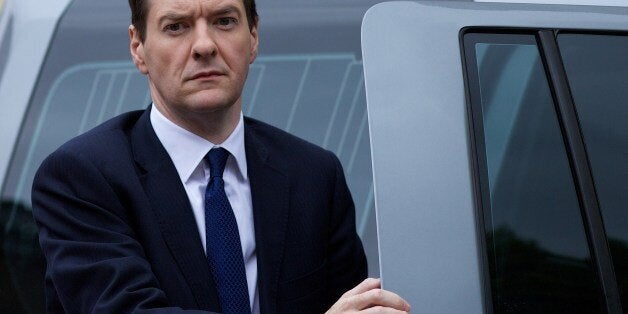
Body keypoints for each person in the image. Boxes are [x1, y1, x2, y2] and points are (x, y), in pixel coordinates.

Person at [31, 0, 411, 313]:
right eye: (176, 27)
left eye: (224, 21)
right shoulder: (81, 178)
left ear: (254, 36)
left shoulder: (313, 175)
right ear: (138, 48)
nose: (204, 45)